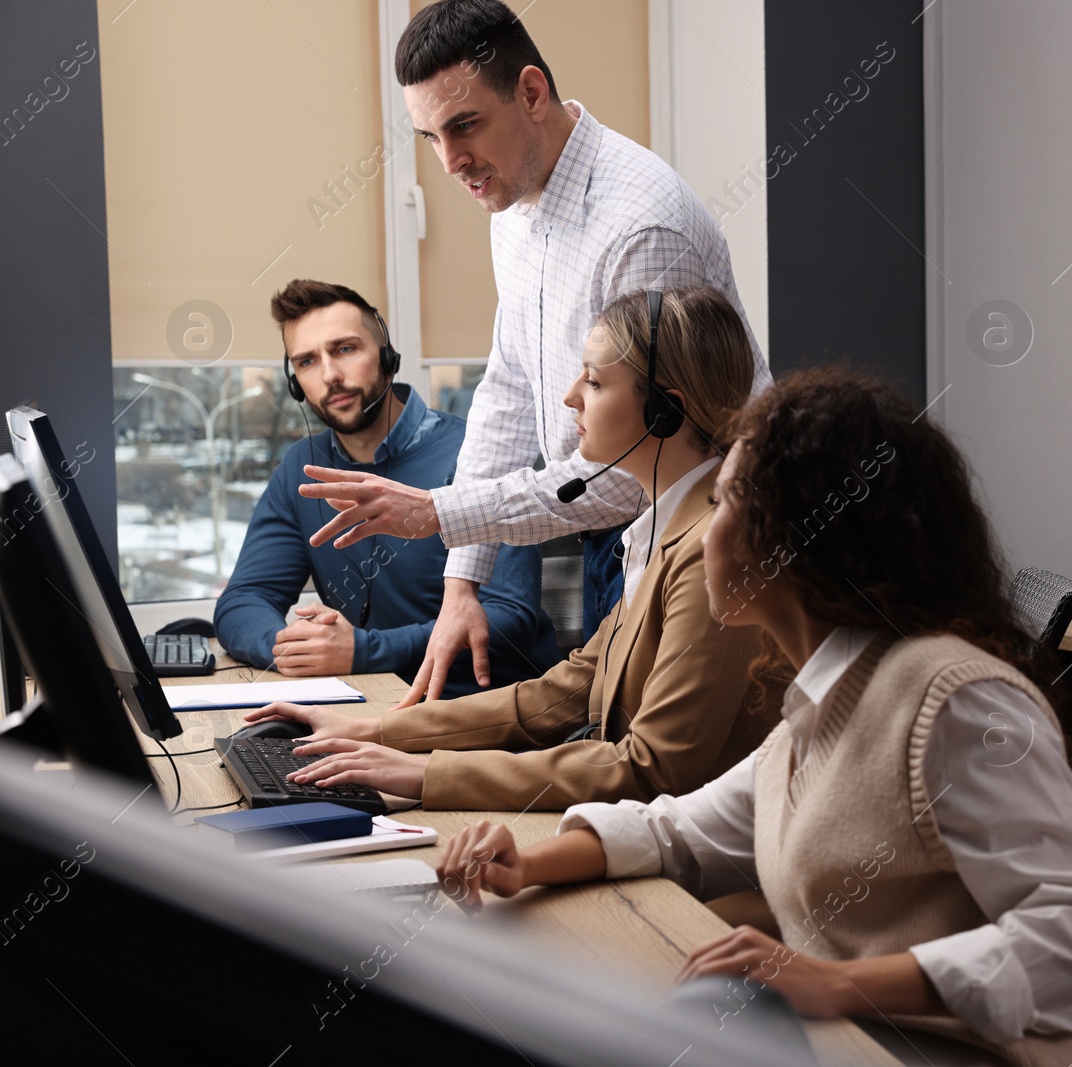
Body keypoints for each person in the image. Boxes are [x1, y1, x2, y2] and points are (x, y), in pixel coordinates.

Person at [433, 369, 1072, 1066]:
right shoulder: (823, 705)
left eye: (723, 501)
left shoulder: (947, 697)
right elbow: (677, 833)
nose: (705, 529)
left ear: (792, 538)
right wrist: (525, 863)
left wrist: (842, 981)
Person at [293, 0, 771, 707]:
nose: (451, 162)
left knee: (664, 777)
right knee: (609, 738)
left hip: (709, 536)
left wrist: (439, 511)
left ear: (531, 93)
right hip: (616, 533)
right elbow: (509, 392)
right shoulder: (511, 200)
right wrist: (463, 583)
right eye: (429, 136)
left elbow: (629, 468)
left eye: (464, 127)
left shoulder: (641, 225)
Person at [243, 287, 775, 812]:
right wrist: (379, 730)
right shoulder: (659, 531)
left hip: (700, 868)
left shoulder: (714, 551)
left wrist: (424, 772)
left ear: (663, 412)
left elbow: (649, 767)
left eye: (592, 380)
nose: (569, 397)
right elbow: (565, 691)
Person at [214, 280, 559, 698]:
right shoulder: (302, 469)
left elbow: (510, 616)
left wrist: (364, 651)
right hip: (376, 705)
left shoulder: (481, 456)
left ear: (385, 354)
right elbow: (244, 599)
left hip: (491, 709)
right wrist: (292, 648)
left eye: (345, 349)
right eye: (306, 361)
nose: (330, 376)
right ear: (294, 383)